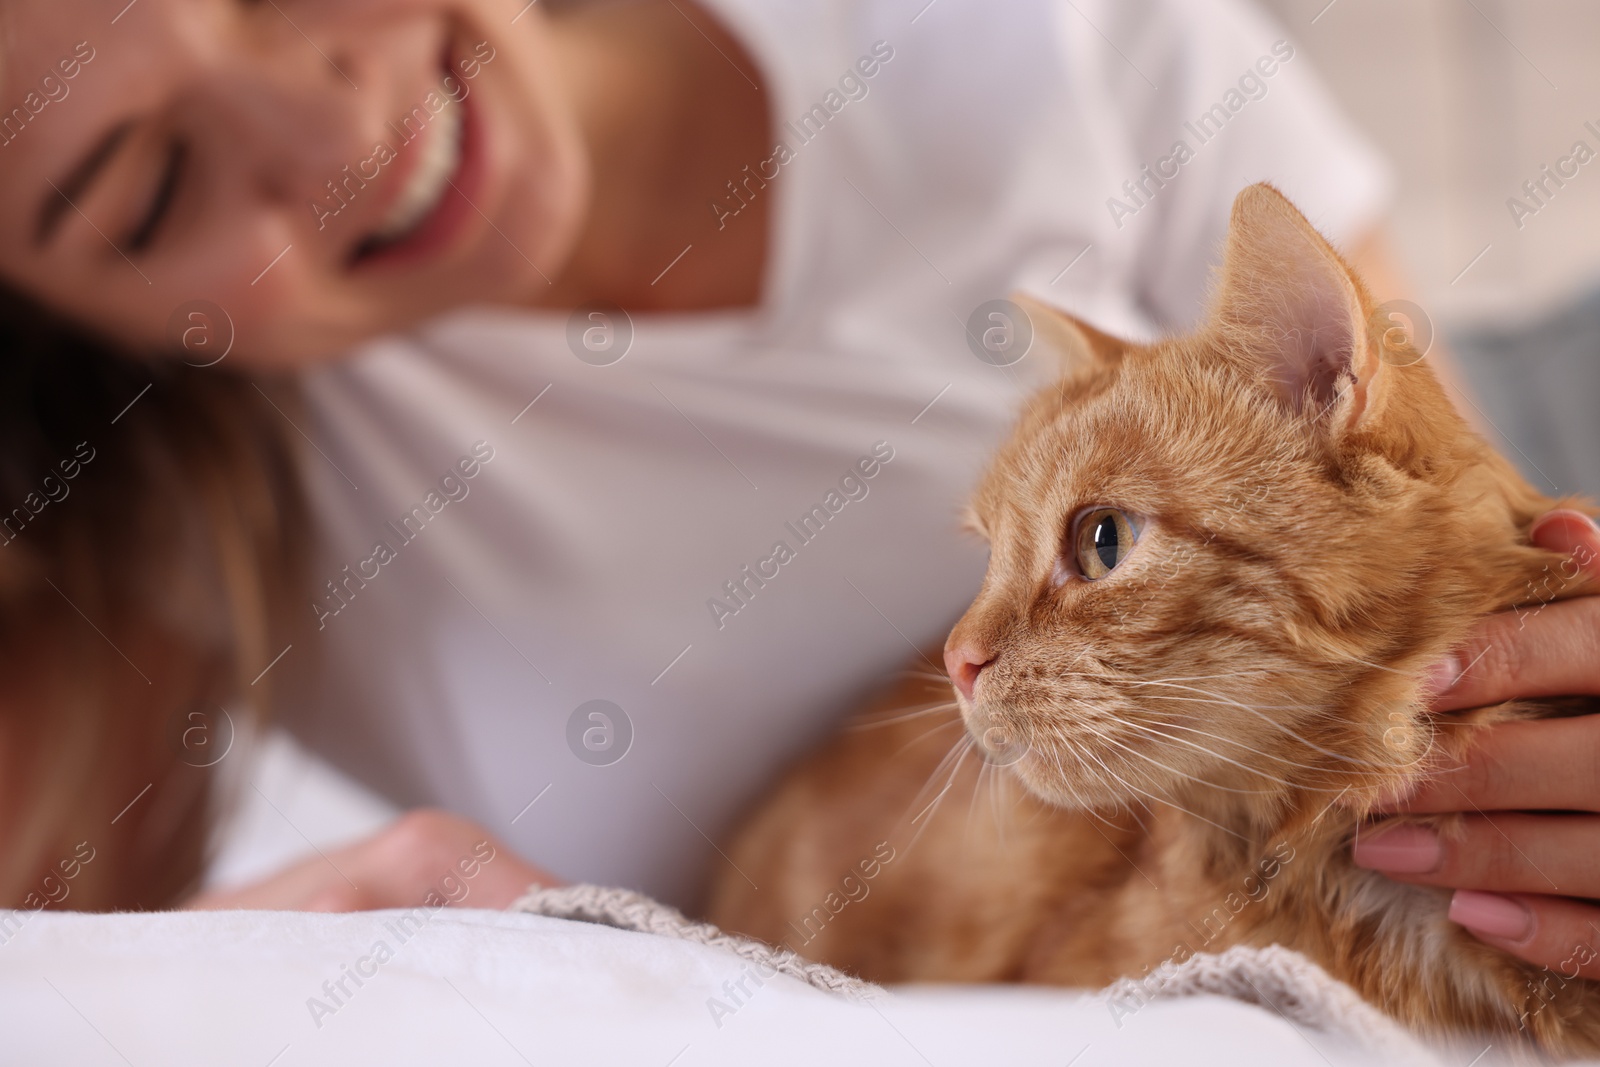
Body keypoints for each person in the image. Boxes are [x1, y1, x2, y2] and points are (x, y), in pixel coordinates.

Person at [3, 0, 1599, 979]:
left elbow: (1443, 561)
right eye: (147, 190)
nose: (329, 126)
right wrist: (240, 964)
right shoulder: (170, 504)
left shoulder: (1035, 36)